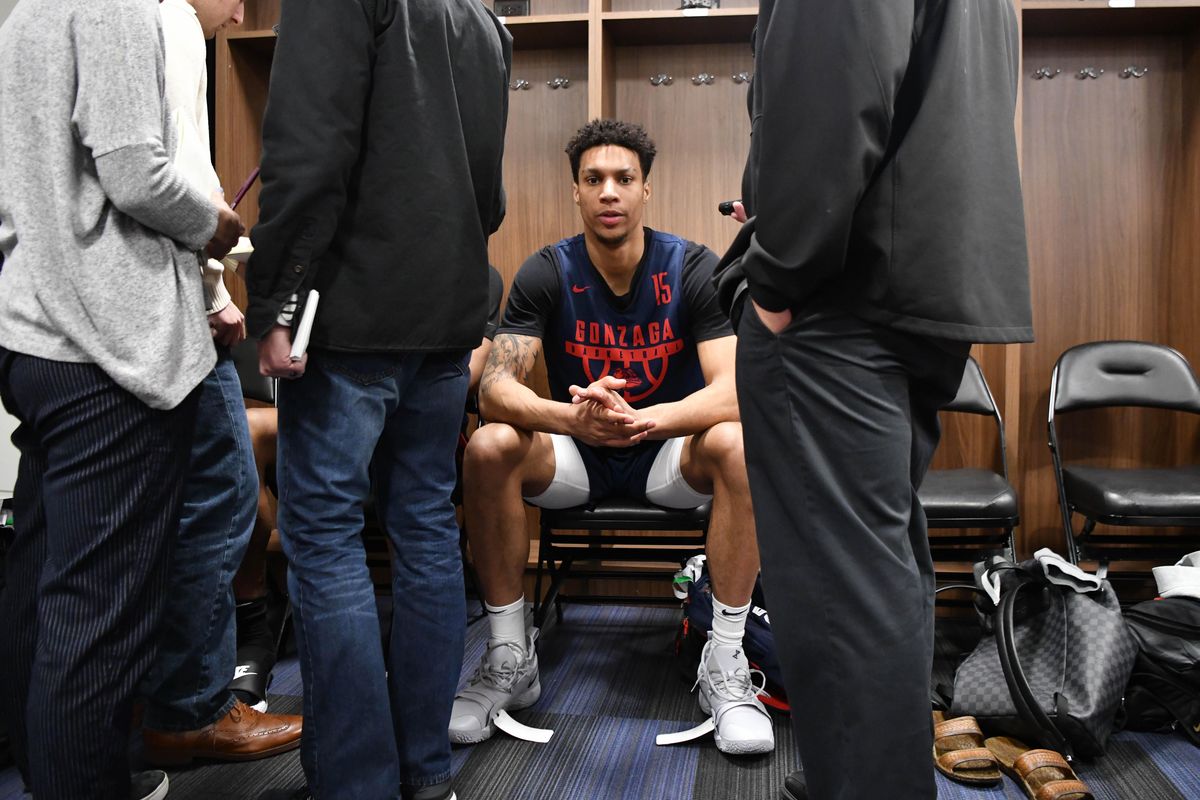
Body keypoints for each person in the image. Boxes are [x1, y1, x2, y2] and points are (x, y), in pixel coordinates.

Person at [715, 2, 1034, 798]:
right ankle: (853, 771)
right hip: (918, 278)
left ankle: (862, 781)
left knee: (841, 581)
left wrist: (777, 279)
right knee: (875, 566)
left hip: (840, 297)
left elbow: (834, 93)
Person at [244, 0, 511, 797]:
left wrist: (276, 303)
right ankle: (424, 775)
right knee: (425, 531)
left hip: (351, 315)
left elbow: (308, 153)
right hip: (447, 315)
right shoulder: (482, 18)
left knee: (323, 539)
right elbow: (489, 196)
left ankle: (357, 783)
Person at [451, 119, 773, 756]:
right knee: (488, 444)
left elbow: (734, 391)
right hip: (579, 453)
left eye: (624, 179)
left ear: (645, 190)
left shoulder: (693, 266)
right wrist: (574, 420)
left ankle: (726, 668)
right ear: (576, 191)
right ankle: (510, 658)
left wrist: (646, 419)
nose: (609, 192)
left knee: (739, 441)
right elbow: (494, 388)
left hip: (664, 453)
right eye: (594, 179)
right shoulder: (547, 270)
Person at [0, 0, 242, 796]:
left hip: (35, 331)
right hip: (110, 346)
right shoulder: (115, 7)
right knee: (98, 625)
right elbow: (136, 172)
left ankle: (49, 776)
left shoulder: (27, 13)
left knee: (43, 590)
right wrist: (215, 226)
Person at [138, 0, 304, 765]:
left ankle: (162, 705)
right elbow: (179, 184)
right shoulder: (168, 21)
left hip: (93, 321)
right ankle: (193, 706)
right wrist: (216, 284)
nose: (238, 11)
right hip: (158, 318)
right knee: (221, 496)